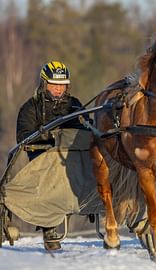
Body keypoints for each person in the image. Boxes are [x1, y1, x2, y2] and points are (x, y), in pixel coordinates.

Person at [15, 60, 83, 251]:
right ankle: (49, 228)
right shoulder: (30, 108)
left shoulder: (75, 105)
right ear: (44, 84)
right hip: (43, 160)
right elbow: (23, 137)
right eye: (54, 85)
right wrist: (47, 135)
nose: (58, 89)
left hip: (73, 159)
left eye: (62, 85)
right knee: (49, 181)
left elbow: (85, 128)